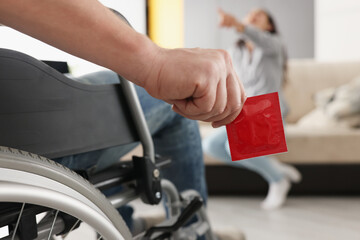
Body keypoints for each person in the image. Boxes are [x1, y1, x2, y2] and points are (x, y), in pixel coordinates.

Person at [0, 1, 246, 239]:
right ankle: (194, 232)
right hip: (20, 143)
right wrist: (155, 63)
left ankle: (129, 226)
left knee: (104, 112)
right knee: (174, 102)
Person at [202, 8, 301, 210]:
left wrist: (238, 24)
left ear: (269, 26)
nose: (253, 17)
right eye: (250, 15)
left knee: (234, 147)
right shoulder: (235, 51)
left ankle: (277, 180)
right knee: (211, 145)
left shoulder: (274, 44)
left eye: (260, 16)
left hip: (268, 112)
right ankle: (276, 169)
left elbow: (258, 38)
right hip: (245, 112)